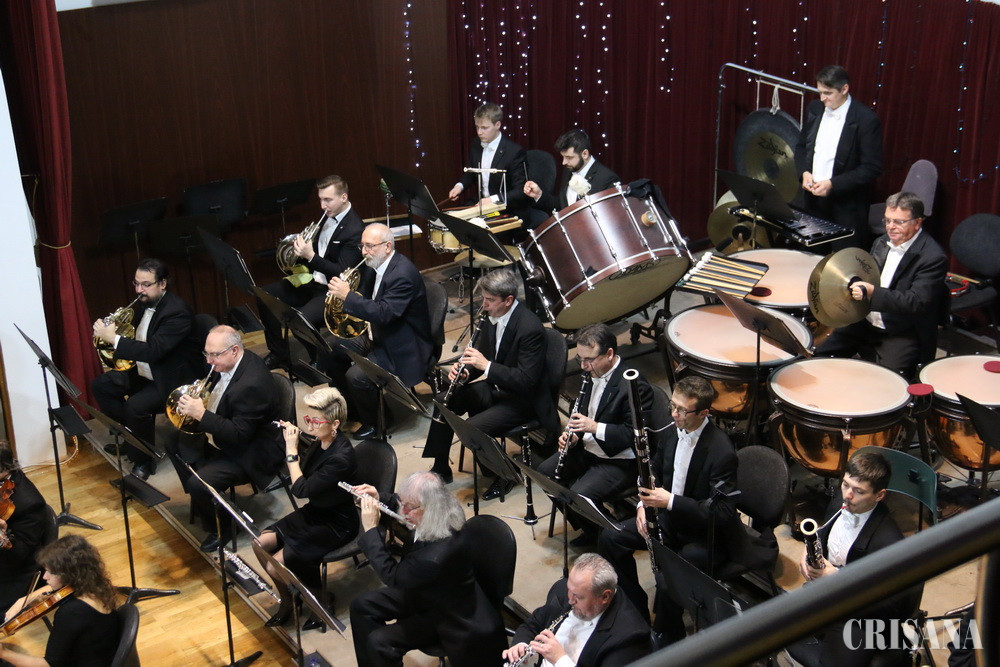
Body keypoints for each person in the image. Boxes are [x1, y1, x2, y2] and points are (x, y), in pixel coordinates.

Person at [597, 375, 737, 645]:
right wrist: (642, 505)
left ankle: (668, 634)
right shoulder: (673, 431)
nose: (674, 414)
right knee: (611, 537)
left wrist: (669, 501)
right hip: (668, 520)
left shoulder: (722, 452)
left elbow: (721, 513)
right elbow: (655, 473)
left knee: (666, 581)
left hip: (703, 536)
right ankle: (634, 608)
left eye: (682, 410)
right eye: (673, 406)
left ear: (704, 413)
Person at [349, 471, 507, 666]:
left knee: (379, 642)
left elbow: (393, 576)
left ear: (429, 508)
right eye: (402, 503)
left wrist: (371, 530)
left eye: (409, 507)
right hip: (427, 588)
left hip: (444, 612)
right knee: (362, 605)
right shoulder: (443, 505)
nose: (403, 511)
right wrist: (379, 498)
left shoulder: (434, 557)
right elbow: (404, 503)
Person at [423, 267, 556, 496]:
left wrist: (486, 366)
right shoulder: (491, 316)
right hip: (497, 388)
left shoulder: (529, 328)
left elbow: (526, 381)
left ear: (508, 300)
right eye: (483, 298)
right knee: (444, 401)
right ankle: (441, 466)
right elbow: (481, 357)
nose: (484, 305)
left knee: (473, 428)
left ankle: (506, 475)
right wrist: (465, 373)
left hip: (523, 400)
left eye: (490, 300)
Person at [792, 450, 920, 666]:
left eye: (859, 491)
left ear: (879, 495)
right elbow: (824, 533)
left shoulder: (889, 543)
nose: (847, 495)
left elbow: (889, 609)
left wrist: (838, 579)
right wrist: (809, 550)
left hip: (862, 617)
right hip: (828, 596)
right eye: (845, 485)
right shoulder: (842, 502)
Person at [163, 325, 283, 552]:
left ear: (234, 350)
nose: (209, 361)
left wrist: (201, 414)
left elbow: (239, 435)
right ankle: (207, 501)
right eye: (206, 353)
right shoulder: (228, 363)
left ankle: (225, 527)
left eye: (214, 355)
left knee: (198, 483)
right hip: (223, 435)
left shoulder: (252, 384)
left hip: (249, 453)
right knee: (172, 440)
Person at [537, 323, 653, 546]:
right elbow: (583, 413)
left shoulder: (634, 385)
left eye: (589, 360)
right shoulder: (590, 373)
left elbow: (632, 435)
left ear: (609, 353)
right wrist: (573, 436)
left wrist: (593, 427)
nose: (583, 366)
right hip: (589, 448)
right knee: (546, 474)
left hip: (619, 460)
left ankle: (615, 538)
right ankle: (592, 531)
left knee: (580, 495)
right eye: (579, 359)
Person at [814, 192, 948, 379]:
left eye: (899, 222)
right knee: (819, 356)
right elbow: (868, 274)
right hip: (866, 320)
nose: (890, 227)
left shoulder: (933, 257)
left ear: (917, 223)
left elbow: (916, 302)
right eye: (887, 220)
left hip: (901, 330)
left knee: (890, 381)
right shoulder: (881, 241)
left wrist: (872, 293)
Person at [255, 387, 358, 631]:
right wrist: (294, 435)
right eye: (308, 419)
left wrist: (291, 452)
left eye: (316, 421)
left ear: (335, 424)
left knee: (274, 565)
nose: (310, 425)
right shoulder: (321, 441)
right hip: (316, 512)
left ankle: (321, 601)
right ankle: (289, 599)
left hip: (336, 522)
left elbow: (301, 490)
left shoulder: (341, 458)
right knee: (259, 544)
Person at [91, 258, 202, 479]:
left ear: (162, 284)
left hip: (171, 379)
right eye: (136, 283)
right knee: (102, 385)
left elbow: (153, 351)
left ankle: (144, 460)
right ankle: (132, 439)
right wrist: (110, 331)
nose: (139, 290)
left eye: (145, 284)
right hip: (145, 370)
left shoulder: (177, 312)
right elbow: (138, 340)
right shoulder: (145, 304)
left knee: (135, 407)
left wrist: (114, 339)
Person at [323, 223, 434, 439]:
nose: (364, 252)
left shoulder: (402, 274)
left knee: (357, 376)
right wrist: (348, 294)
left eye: (370, 246)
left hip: (402, 346)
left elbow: (384, 313)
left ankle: (378, 422)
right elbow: (369, 299)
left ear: (387, 246)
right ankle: (352, 406)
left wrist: (348, 296)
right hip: (379, 333)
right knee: (332, 346)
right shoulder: (375, 265)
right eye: (362, 246)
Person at [258, 175, 365, 370]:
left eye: (328, 200)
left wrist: (310, 256)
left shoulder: (354, 229)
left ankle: (321, 360)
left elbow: (341, 272)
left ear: (343, 197)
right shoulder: (327, 215)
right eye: (321, 199)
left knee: (300, 322)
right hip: (312, 281)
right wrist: (300, 251)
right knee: (265, 296)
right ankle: (278, 352)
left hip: (332, 290)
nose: (323, 206)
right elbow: (319, 250)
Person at [503, 553, 651, 667]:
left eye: (578, 597)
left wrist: (560, 659)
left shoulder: (630, 637)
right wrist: (520, 645)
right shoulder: (566, 591)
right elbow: (532, 625)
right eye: (569, 589)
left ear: (604, 597)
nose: (570, 600)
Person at [795, 65, 883, 251]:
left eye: (828, 93)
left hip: (846, 207)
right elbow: (802, 147)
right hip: (813, 202)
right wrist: (804, 172)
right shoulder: (815, 108)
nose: (822, 98)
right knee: (810, 256)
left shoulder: (866, 120)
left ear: (844, 89)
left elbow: (872, 167)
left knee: (841, 260)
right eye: (820, 92)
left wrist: (833, 184)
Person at [1, 535, 121, 667]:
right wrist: (24, 600)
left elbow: (48, 664)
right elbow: (50, 589)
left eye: (50, 572)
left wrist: (4, 653)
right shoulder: (96, 585)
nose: (45, 577)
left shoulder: (71, 612)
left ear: (69, 574)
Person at [523, 129, 620, 227]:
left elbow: (610, 219)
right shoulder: (569, 171)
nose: (564, 162)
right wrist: (539, 195)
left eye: (569, 157)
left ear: (585, 154)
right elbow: (562, 206)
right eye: (563, 157)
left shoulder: (607, 179)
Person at [447, 102, 529, 216]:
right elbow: (471, 172)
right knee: (451, 219)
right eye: (477, 127)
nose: (479, 132)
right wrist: (459, 186)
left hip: (506, 209)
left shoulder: (515, 152)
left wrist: (492, 200)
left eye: (484, 128)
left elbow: (520, 191)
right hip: (482, 204)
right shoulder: (476, 144)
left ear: (497, 125)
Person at [0, 442, 48, 615]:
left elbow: (18, 555)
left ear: (4, 469)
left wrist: (2, 536)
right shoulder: (4, 481)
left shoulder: (30, 504)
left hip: (15, 570)